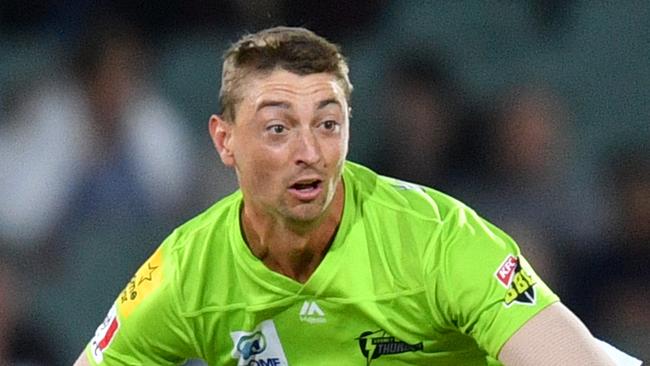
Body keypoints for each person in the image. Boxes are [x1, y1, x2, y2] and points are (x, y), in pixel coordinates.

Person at [74, 26, 636, 365]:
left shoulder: (436, 239)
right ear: (225, 140)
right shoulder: (187, 275)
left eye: (328, 123)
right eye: (277, 128)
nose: (309, 152)